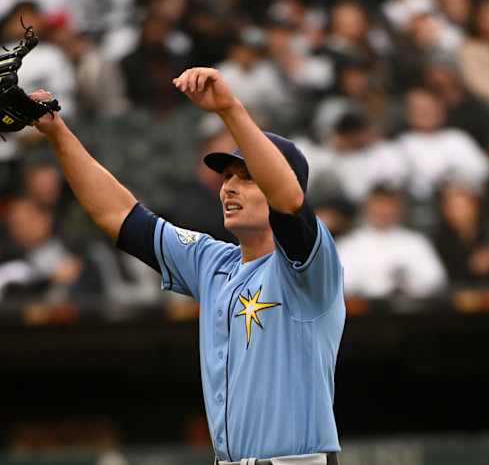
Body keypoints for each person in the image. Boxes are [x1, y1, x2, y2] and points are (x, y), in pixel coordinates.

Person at [28, 67, 344, 464]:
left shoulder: (308, 267)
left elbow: (290, 200)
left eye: (246, 178)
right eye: (227, 176)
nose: (228, 186)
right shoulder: (214, 262)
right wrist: (58, 133)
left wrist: (229, 110)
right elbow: (120, 216)